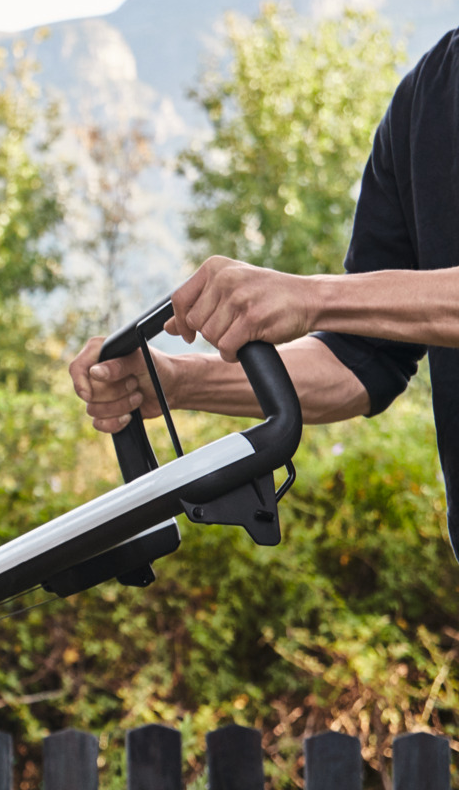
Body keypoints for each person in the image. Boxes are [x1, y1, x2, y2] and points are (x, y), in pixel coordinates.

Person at [69, 29, 459, 551]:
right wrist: (175, 382)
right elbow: (361, 360)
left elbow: (332, 309)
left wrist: (312, 297)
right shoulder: (427, 99)